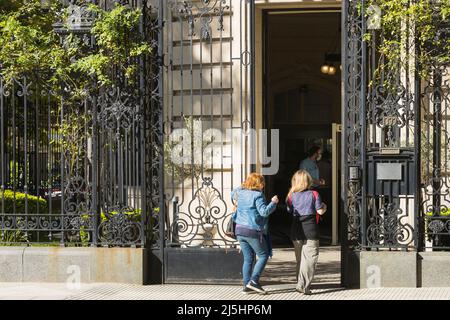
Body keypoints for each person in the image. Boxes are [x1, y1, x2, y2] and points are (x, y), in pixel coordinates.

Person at [231, 173, 279, 295]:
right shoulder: (258, 195)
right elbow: (264, 212)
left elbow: (232, 193)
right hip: (252, 230)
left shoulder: (240, 193)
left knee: (248, 258)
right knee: (263, 255)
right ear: (259, 183)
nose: (263, 185)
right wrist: (273, 203)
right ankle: (254, 281)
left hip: (239, 230)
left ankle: (246, 285)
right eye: (262, 183)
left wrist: (243, 185)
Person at [286, 170, 327, 295]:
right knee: (309, 259)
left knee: (300, 259)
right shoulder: (314, 194)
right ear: (308, 181)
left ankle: (300, 283)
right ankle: (302, 286)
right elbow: (320, 211)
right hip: (310, 230)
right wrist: (324, 206)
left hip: (295, 230)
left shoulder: (290, 195)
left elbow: (289, 210)